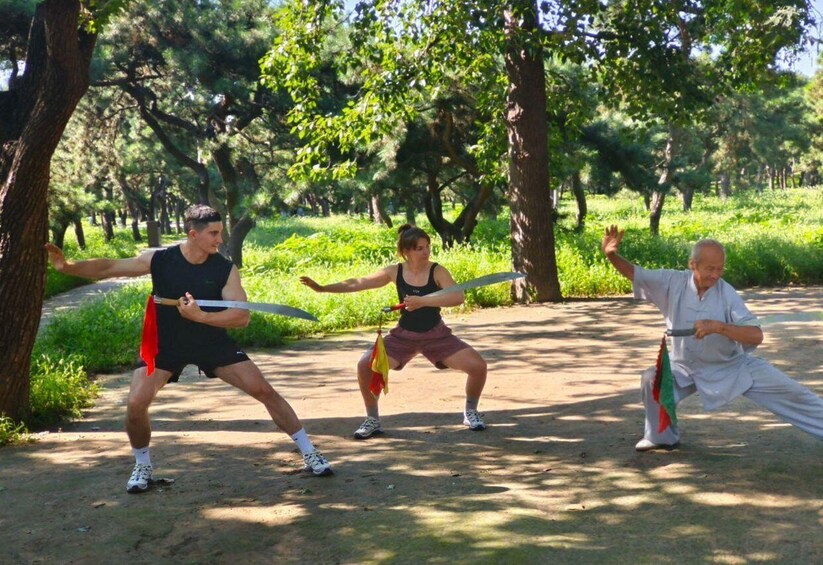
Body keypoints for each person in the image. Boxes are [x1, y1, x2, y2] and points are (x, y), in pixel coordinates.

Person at [45, 205, 333, 493]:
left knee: (264, 391)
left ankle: (310, 452)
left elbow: (241, 317)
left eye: (220, 232)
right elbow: (109, 267)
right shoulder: (161, 259)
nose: (220, 239)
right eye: (214, 233)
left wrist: (201, 316)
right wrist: (67, 267)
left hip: (212, 342)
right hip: (166, 344)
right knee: (136, 403)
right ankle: (142, 465)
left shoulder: (224, 269)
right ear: (193, 234)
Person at [601, 224, 823, 450]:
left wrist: (719, 327)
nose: (716, 275)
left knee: (794, 393)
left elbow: (756, 336)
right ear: (692, 265)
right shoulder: (672, 282)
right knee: (652, 378)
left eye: (720, 269)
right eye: (710, 269)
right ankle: (661, 437)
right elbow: (636, 274)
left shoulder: (727, 293)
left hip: (731, 366)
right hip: (683, 367)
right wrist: (612, 256)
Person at [300, 224, 488, 439]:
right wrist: (323, 288)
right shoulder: (395, 271)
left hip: (436, 335)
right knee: (365, 365)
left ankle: (470, 412)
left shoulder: (438, 271)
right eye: (419, 248)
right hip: (403, 336)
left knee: (478, 367)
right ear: (406, 251)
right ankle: (372, 419)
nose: (426, 252)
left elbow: (457, 297)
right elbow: (358, 283)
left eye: (427, 246)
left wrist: (423, 301)